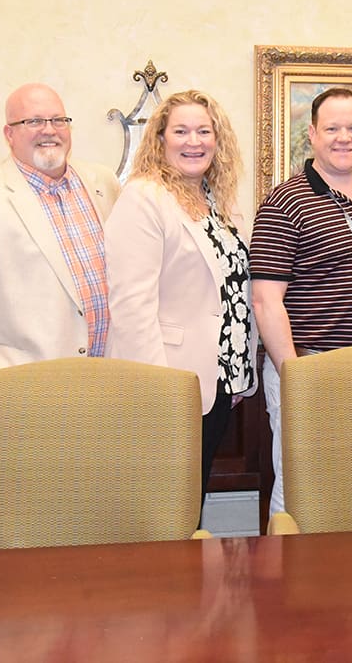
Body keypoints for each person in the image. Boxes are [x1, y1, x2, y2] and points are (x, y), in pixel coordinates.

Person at [250, 88, 352, 514]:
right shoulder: (285, 201)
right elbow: (265, 300)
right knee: (299, 488)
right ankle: (289, 578)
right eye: (332, 128)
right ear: (312, 134)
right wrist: (294, 374)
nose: (343, 137)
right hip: (308, 366)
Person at [106, 90, 258, 507]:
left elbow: (231, 291)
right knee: (164, 506)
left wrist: (239, 366)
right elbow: (131, 306)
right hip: (172, 382)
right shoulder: (144, 197)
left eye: (204, 131)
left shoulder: (214, 202)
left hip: (218, 382)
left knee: (190, 500)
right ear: (160, 140)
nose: (195, 141)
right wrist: (159, 391)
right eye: (182, 131)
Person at [0, 83, 120, 391]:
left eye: (58, 120)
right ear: (9, 134)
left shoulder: (103, 183)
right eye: (33, 121)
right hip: (21, 392)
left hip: (106, 384)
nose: (49, 130)